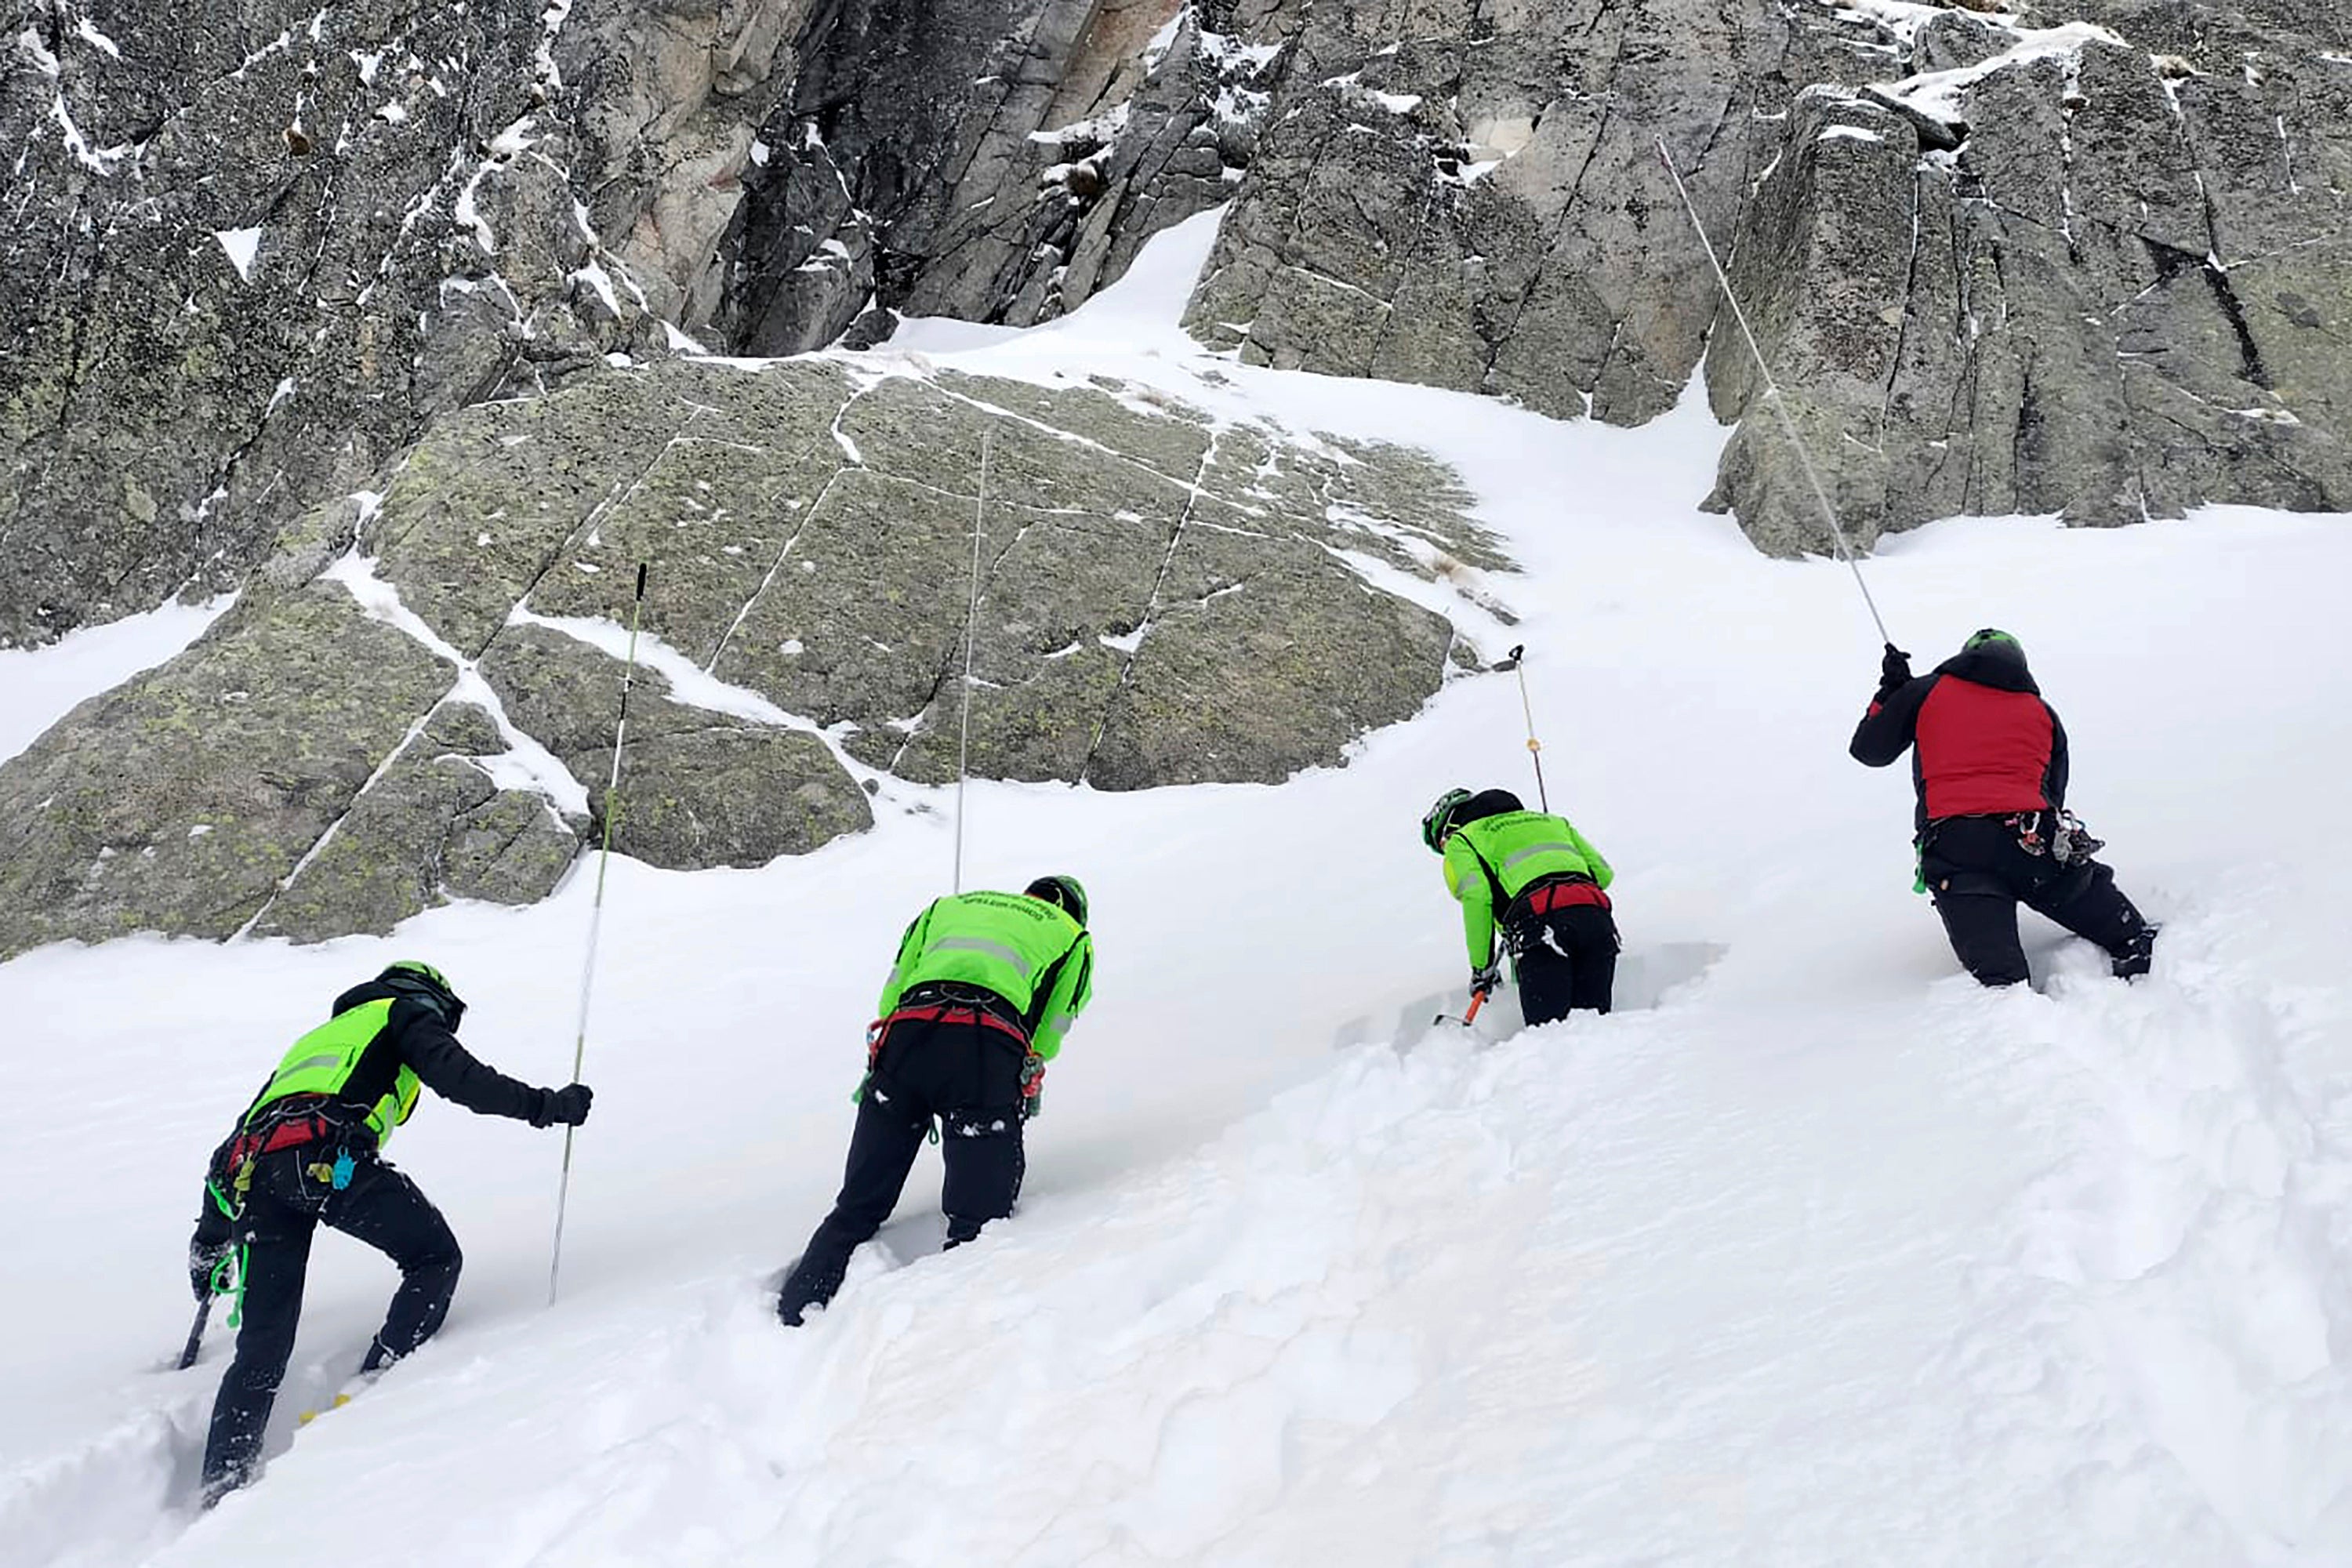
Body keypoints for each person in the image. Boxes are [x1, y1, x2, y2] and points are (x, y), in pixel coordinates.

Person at [187, 961, 592, 1504]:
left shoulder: (312, 1043)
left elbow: (231, 1150)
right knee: (433, 1258)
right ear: (430, 1000)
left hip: (258, 1180)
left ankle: (221, 1483)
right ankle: (379, 1388)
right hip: (327, 1162)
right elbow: (463, 1080)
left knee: (261, 1347)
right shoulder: (401, 1014)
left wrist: (210, 1245)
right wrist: (549, 1106)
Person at [777, 876, 1093, 1327]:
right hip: (985, 1053)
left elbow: (894, 986)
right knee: (980, 1228)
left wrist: (884, 1063)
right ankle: (946, 1347)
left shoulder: (947, 907)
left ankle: (794, 1315)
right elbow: (1053, 1024)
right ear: (1074, 910)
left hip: (907, 1040)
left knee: (857, 1207)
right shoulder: (1072, 935)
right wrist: (1026, 1071)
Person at [1850, 628, 2157, 986]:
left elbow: (1870, 751)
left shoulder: (1926, 691)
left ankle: (2015, 1010)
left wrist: (1892, 693)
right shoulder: (2042, 712)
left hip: (1957, 848)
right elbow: (2053, 792)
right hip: (2034, 838)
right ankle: (2140, 958)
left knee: (2001, 982)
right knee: (2129, 934)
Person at [1421, 787, 1618, 1023]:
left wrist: (1481, 967)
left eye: (1441, 844)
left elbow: (1477, 897)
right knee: (1594, 1028)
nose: (1445, 850)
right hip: (1596, 918)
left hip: (1538, 925)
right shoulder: (1553, 823)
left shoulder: (1462, 840)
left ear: (1450, 827)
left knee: (1551, 1035)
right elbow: (1603, 875)